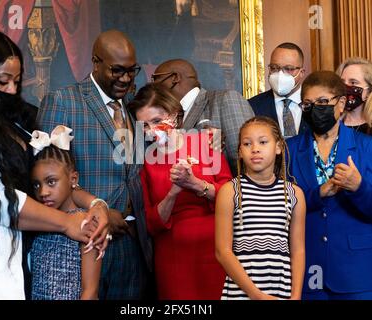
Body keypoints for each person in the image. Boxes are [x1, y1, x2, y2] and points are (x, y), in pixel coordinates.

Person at [0, 28, 108, 300]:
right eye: (2, 81)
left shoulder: (22, 120)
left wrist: (95, 205)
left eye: (17, 81)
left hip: (34, 253)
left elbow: (54, 175)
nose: (12, 90)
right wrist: (67, 223)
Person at [38, 29, 153, 300]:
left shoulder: (132, 109)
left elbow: (132, 175)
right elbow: (48, 180)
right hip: (84, 245)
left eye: (131, 70)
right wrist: (97, 209)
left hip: (132, 247)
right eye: (117, 70)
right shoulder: (63, 101)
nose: (126, 78)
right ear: (95, 62)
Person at [128, 83, 233, 299]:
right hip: (173, 258)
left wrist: (194, 184)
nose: (152, 130)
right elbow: (151, 223)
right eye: (144, 126)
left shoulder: (206, 143)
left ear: (175, 116)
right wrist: (174, 191)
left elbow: (231, 197)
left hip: (216, 251)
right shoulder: (145, 161)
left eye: (157, 121)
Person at [287, 71, 372, 300]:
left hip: (356, 272)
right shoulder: (288, 150)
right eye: (308, 104)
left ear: (341, 103)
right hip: (308, 268)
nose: (316, 109)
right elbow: (278, 206)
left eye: (323, 102)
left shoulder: (367, 147)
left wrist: (359, 187)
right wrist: (317, 194)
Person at [215, 116, 306, 300]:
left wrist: (295, 296)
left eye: (263, 142)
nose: (255, 149)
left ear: (278, 147)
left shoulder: (293, 193)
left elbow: (298, 251)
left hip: (282, 291)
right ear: (240, 151)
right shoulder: (230, 191)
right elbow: (222, 251)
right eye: (247, 144)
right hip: (241, 294)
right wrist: (256, 295)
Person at [29, 126, 102, 300]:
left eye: (51, 182)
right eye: (37, 185)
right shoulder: (39, 222)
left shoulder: (87, 224)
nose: (43, 192)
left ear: (73, 179)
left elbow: (90, 291)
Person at [151, 59, 254, 176]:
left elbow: (247, 160)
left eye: (156, 79)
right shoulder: (167, 117)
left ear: (175, 78)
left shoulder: (226, 99)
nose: (153, 85)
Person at [249, 42, 308, 138]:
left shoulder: (315, 104)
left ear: (301, 73)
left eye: (288, 69)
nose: (280, 74)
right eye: (274, 68)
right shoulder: (253, 105)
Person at [336, 57, 372, 135]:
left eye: (353, 82)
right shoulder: (332, 126)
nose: (345, 87)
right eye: (342, 82)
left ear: (369, 91)